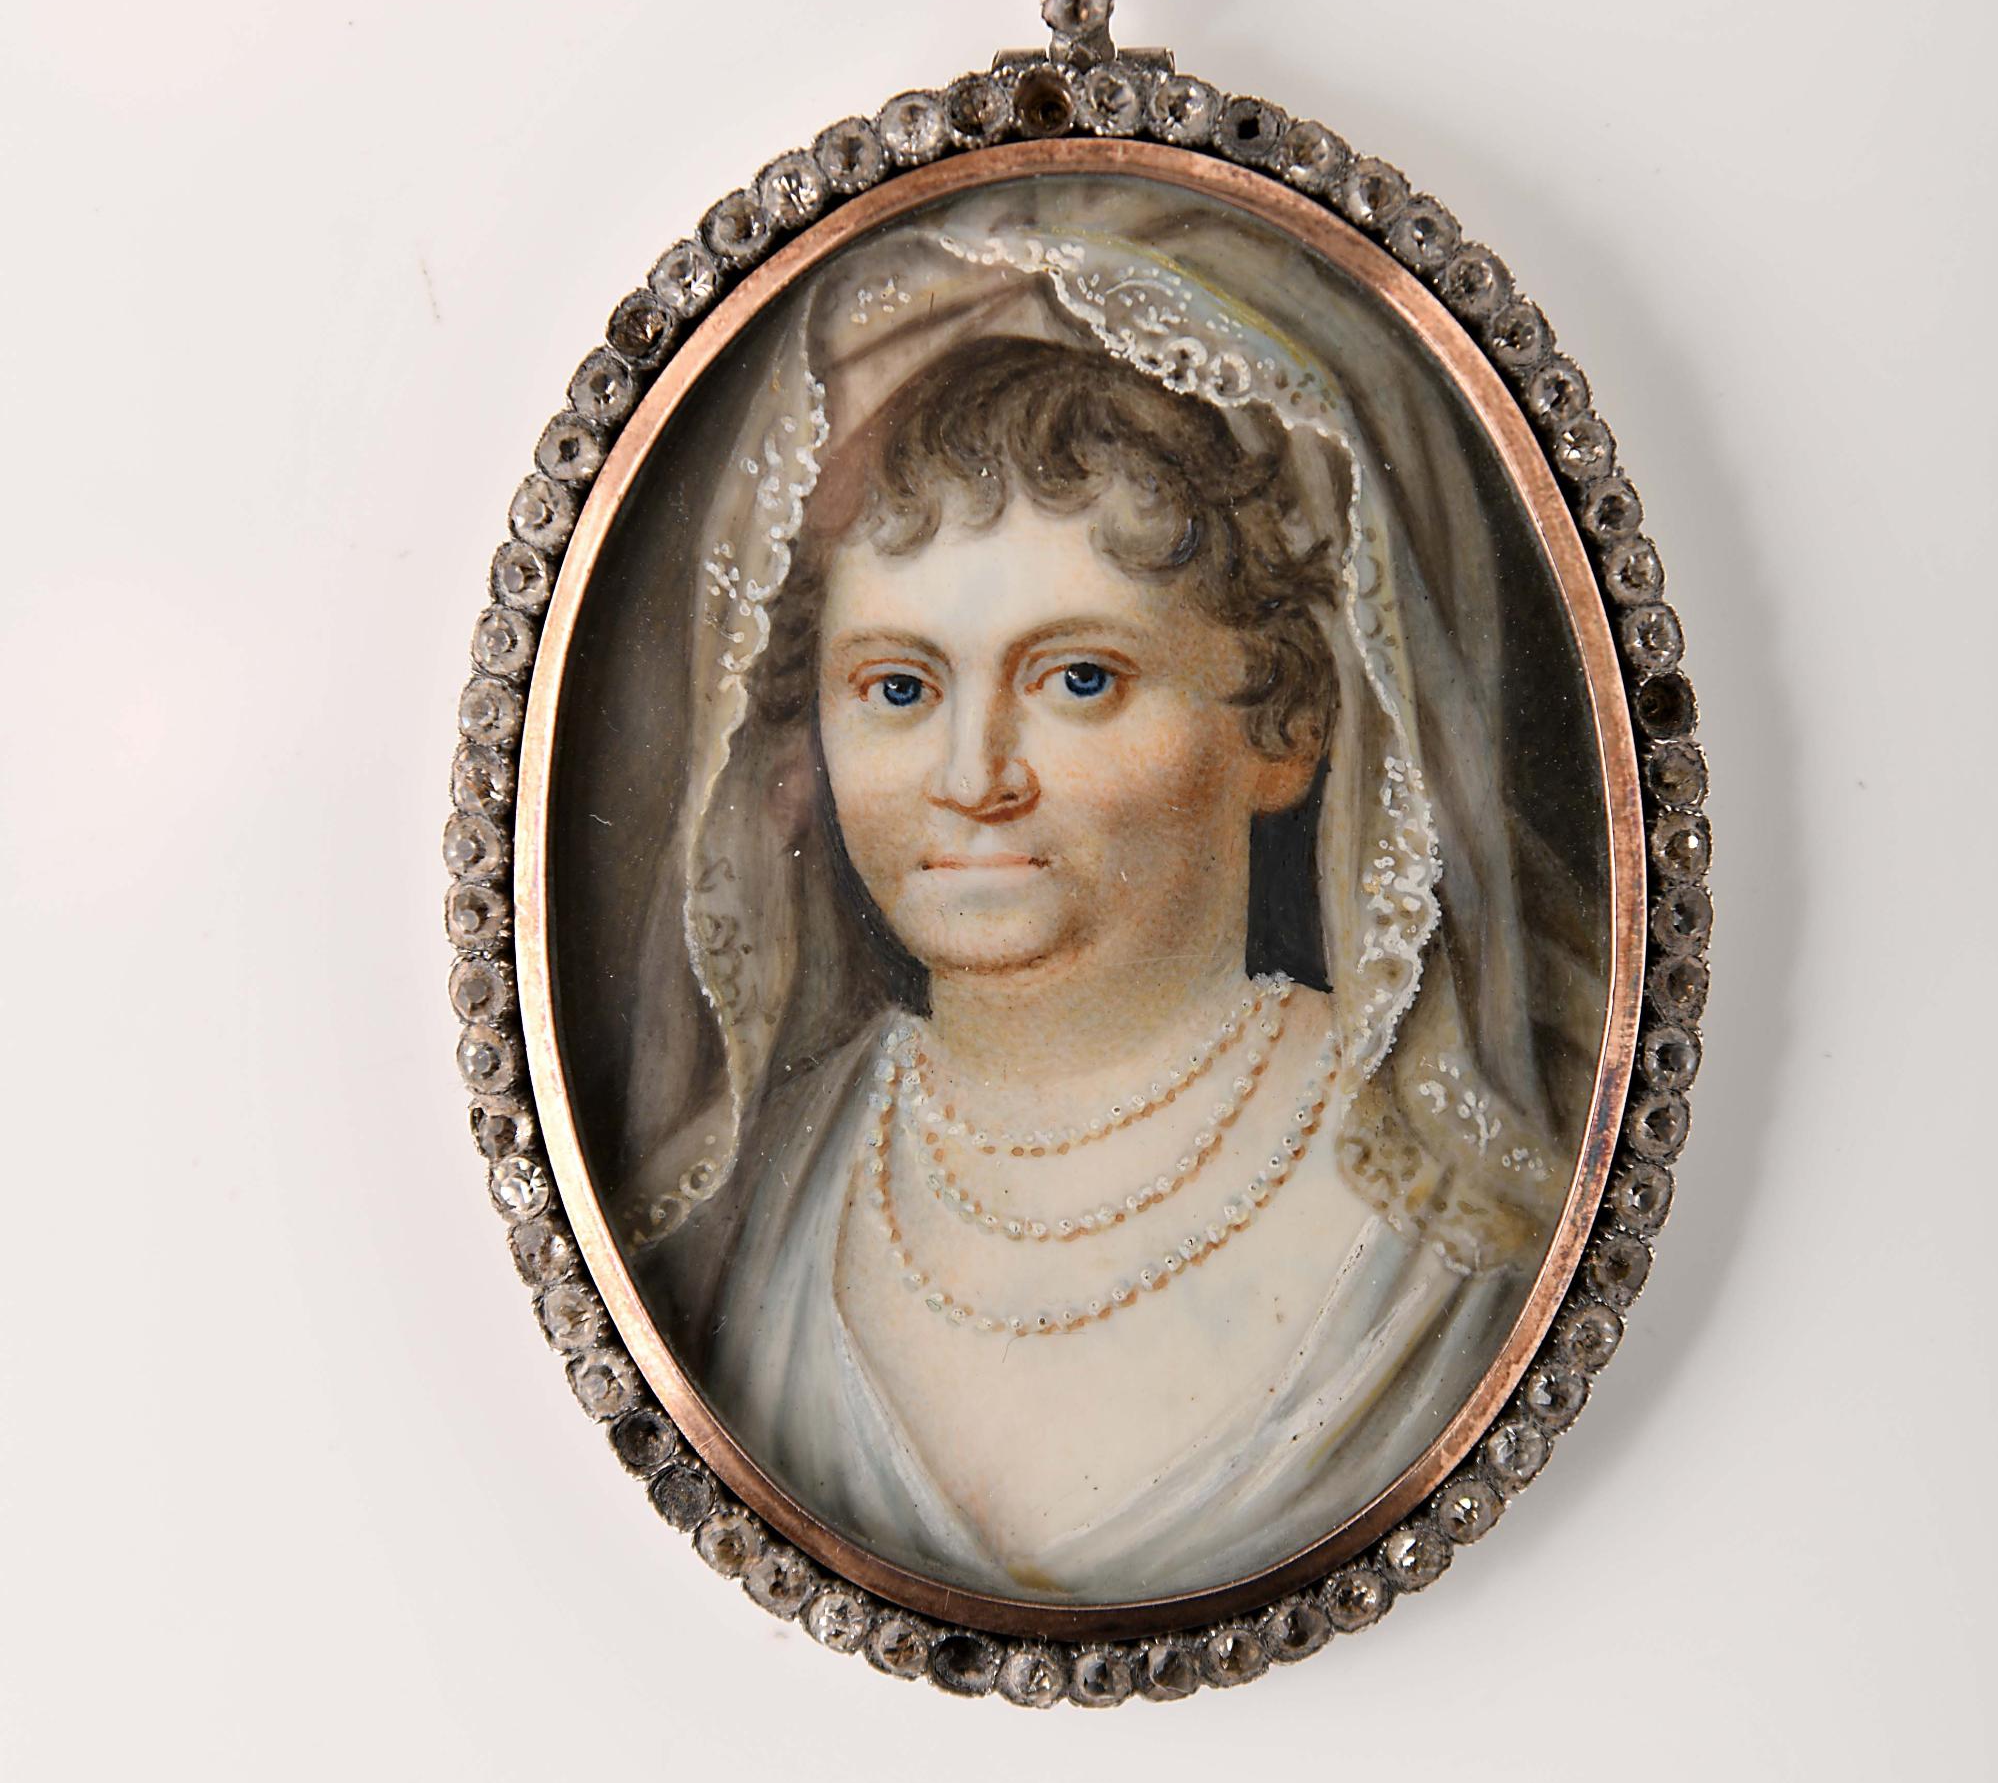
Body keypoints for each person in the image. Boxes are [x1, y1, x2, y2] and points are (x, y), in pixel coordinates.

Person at [618, 179, 1602, 1605]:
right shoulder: (762, 1186)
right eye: (897, 688)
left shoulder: (1453, 1187)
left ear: (1283, 722)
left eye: (1078, 678)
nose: (974, 776)